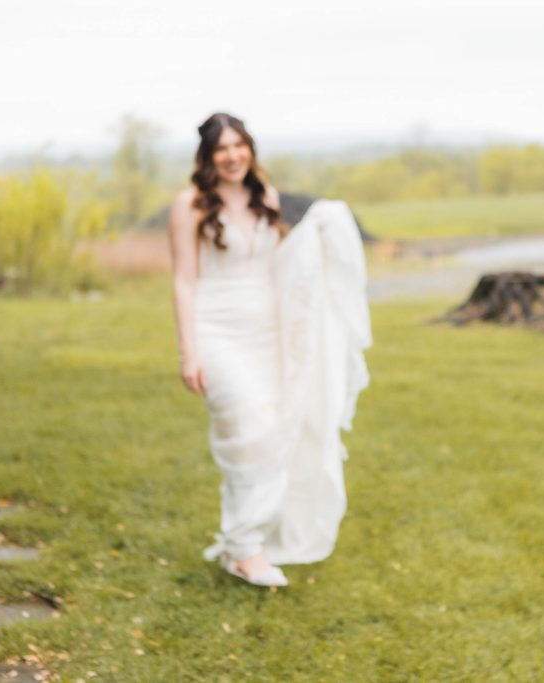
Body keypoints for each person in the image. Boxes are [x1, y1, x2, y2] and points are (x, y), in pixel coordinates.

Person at [170, 113, 371, 587]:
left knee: (275, 431)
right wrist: (188, 351)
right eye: (222, 148)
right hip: (217, 329)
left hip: (268, 330)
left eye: (239, 146)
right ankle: (245, 547)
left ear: (251, 150)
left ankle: (241, 542)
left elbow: (279, 263)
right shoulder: (189, 205)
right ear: (207, 156)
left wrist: (314, 240)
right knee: (248, 429)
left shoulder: (266, 198)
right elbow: (183, 280)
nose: (232, 156)